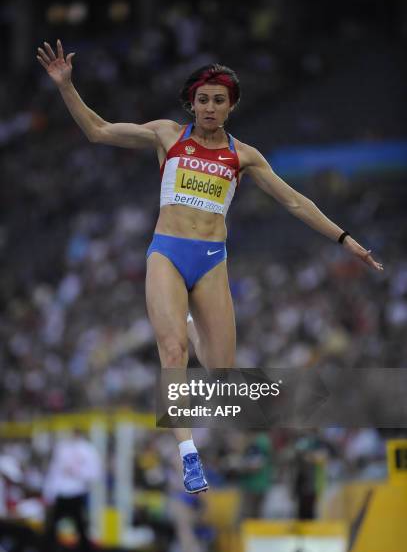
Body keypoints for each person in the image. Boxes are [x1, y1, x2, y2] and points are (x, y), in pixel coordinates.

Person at [37, 40, 384, 495]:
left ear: (231, 105)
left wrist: (345, 239)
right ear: (192, 102)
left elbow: (295, 201)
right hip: (167, 252)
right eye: (202, 99)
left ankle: (183, 315)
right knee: (174, 352)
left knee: (223, 375)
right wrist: (66, 87)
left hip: (211, 262)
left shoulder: (244, 156)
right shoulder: (167, 135)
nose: (209, 108)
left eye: (219, 100)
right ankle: (188, 454)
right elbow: (98, 131)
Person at [41, 429, 102, 552]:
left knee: (82, 528)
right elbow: (54, 472)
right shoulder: (61, 448)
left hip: (77, 494)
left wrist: (76, 472)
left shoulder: (88, 450)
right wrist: (49, 494)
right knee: (51, 528)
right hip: (61, 494)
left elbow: (94, 473)